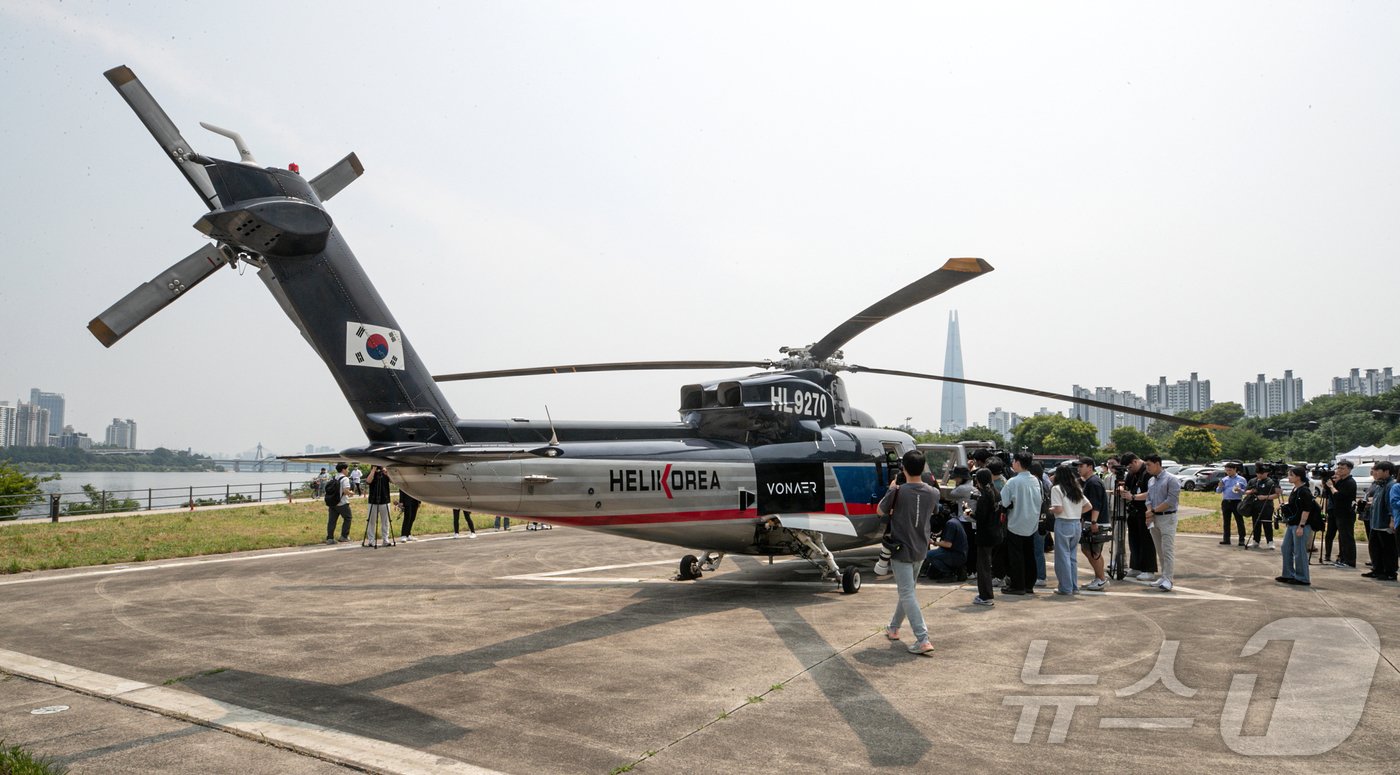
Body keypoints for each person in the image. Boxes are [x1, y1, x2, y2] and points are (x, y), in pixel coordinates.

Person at [879, 450, 938, 656]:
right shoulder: (933, 492)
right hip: (921, 548)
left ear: (903, 468)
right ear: (923, 468)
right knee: (908, 591)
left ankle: (922, 639)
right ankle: (893, 627)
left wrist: (891, 490)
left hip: (900, 549)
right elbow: (932, 512)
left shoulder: (897, 491)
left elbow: (880, 511)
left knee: (906, 592)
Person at [1000, 451, 1042, 595]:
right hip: (1031, 523)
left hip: (1016, 523)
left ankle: (1017, 586)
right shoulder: (1035, 480)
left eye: (1013, 461)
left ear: (1017, 463)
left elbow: (1004, 502)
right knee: (1029, 555)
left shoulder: (1013, 482)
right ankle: (1029, 585)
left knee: (1016, 557)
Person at [1049, 463, 1090, 595]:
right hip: (1076, 524)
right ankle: (1073, 586)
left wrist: (1049, 510)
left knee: (1062, 557)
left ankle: (1065, 587)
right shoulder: (1076, 488)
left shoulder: (1057, 488)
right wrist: (1076, 513)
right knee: (1072, 557)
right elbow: (1088, 506)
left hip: (1063, 523)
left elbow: (1058, 509)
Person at [1277, 465, 1321, 585]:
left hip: (1300, 525)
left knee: (1299, 551)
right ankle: (1288, 574)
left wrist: (1301, 526)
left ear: (1298, 477)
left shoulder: (1304, 491)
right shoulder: (1295, 489)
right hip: (1292, 523)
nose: (1289, 477)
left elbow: (1306, 509)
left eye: (1291, 475)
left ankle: (1302, 577)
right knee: (1286, 547)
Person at [1116, 453, 1157, 581]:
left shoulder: (1147, 472)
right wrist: (1122, 488)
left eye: (1129, 467)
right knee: (1134, 540)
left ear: (1135, 462)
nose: (1129, 470)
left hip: (1145, 510)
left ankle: (1148, 569)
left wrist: (1133, 497)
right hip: (1133, 511)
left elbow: (1152, 493)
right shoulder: (1132, 474)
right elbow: (1126, 485)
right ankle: (1136, 567)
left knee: (1146, 541)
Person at [1143, 454, 1181, 592]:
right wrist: (1149, 512)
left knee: (1167, 550)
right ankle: (1164, 576)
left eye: (1149, 465)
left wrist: (1152, 511)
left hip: (1167, 518)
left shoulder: (1172, 479)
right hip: (1154, 518)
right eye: (1146, 465)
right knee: (1159, 549)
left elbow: (1171, 501)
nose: (1147, 468)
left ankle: (1168, 579)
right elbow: (1148, 499)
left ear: (1158, 464)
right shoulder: (1151, 481)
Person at [970, 468, 1002, 606]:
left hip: (985, 535)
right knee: (986, 565)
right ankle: (986, 595)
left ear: (979, 480)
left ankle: (985, 596)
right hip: (995, 532)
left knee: (983, 567)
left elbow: (980, 518)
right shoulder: (996, 493)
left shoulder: (984, 497)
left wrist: (969, 513)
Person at [1077, 457, 1110, 591]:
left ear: (1090, 467)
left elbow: (1095, 505)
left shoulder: (1093, 483)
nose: (1079, 468)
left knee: (1092, 551)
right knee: (1091, 550)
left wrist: (1094, 522)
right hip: (1093, 521)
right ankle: (1099, 578)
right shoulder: (1091, 481)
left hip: (1096, 522)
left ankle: (1101, 579)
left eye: (1081, 466)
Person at [1362, 461, 1396, 581]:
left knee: (1387, 549)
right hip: (1375, 522)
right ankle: (1377, 570)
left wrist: (1391, 520)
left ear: (1386, 472)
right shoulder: (1379, 485)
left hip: (1384, 523)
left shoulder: (1391, 485)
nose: (1374, 473)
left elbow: (1391, 505)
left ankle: (1390, 572)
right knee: (1375, 548)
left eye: (1377, 470)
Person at [1323, 460, 1358, 568]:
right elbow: (1330, 495)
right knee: (1342, 538)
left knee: (1347, 538)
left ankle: (1350, 561)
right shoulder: (1341, 481)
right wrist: (1328, 484)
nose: (1339, 470)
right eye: (1338, 468)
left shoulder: (1350, 482)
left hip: (1346, 513)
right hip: (1337, 513)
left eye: (1342, 468)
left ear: (1349, 469)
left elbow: (1339, 496)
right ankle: (1342, 558)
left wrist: (1332, 487)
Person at [922, 510, 968, 582]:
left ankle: (948, 574)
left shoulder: (950, 524)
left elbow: (948, 544)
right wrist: (938, 535)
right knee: (932, 574)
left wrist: (933, 542)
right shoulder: (955, 520)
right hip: (959, 554)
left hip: (956, 555)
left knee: (929, 555)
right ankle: (957, 570)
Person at [1243, 464, 1279, 549]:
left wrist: (1265, 497)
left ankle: (1270, 542)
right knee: (1256, 523)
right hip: (1254, 505)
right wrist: (1251, 491)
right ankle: (1256, 541)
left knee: (1267, 524)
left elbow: (1277, 495)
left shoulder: (1271, 482)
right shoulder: (1253, 481)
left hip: (1267, 506)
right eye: (1258, 473)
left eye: (1262, 473)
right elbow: (1246, 491)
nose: (1259, 475)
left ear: (1267, 473)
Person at [1216, 462, 1247, 546]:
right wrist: (1220, 486)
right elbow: (1218, 491)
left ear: (1235, 469)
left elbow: (1246, 492)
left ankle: (1241, 539)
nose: (1228, 472)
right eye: (1226, 470)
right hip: (1226, 501)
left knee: (1239, 521)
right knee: (1226, 521)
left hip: (1236, 501)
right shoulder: (1224, 479)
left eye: (1230, 470)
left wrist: (1240, 490)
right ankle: (1226, 539)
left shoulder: (1241, 479)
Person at [364, 465, 393, 547]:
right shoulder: (371, 474)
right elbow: (368, 481)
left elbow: (393, 481)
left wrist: (387, 473)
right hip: (373, 501)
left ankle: (385, 539)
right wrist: (373, 471)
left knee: (385, 522)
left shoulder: (385, 474)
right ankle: (371, 540)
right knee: (371, 521)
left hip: (385, 500)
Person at [324, 462, 353, 544]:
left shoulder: (334, 477)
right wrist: (351, 493)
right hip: (342, 503)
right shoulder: (345, 479)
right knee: (348, 518)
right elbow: (345, 491)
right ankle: (344, 536)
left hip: (332, 503)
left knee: (332, 521)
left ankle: (330, 539)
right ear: (343, 469)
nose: (348, 470)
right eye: (347, 469)